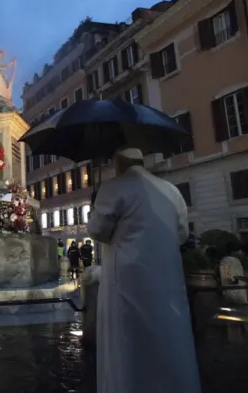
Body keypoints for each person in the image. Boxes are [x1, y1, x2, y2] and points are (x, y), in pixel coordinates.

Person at [87, 147, 200, 393]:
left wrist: (93, 208)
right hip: (167, 282)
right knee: (170, 339)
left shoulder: (113, 187)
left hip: (127, 283)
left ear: (118, 162)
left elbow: (96, 231)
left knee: (127, 349)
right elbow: (182, 235)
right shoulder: (171, 191)